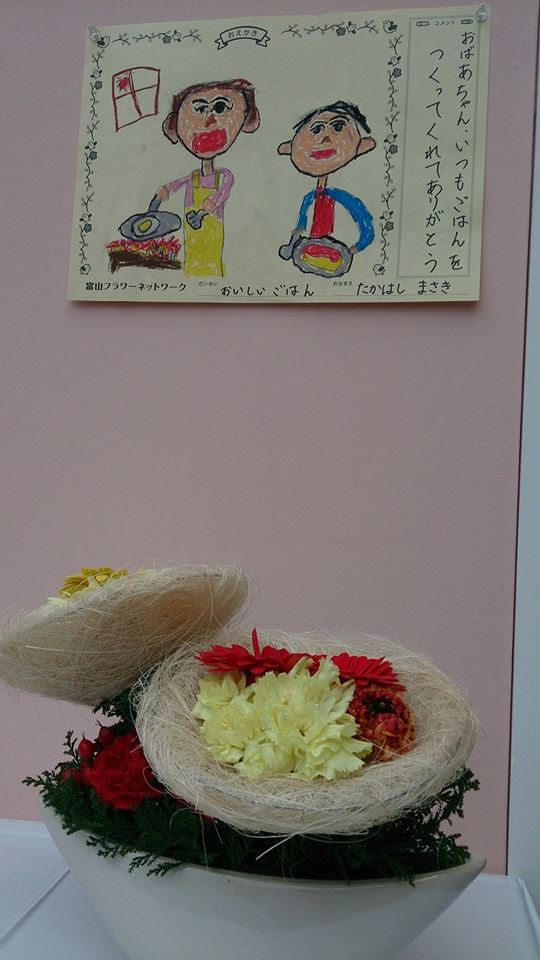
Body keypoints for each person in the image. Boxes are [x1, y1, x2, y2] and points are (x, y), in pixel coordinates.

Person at [156, 79, 260, 277]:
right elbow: (177, 184)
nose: (210, 121)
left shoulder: (225, 176)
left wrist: (204, 212)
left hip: (212, 231)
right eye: (200, 109)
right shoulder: (193, 177)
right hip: (191, 236)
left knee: (210, 264)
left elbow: (221, 195)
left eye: (220, 107)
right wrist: (163, 193)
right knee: (191, 262)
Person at [277, 101, 375, 274]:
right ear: (291, 148)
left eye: (337, 127)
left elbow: (366, 227)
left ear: (362, 146)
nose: (326, 138)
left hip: (338, 257)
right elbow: (301, 224)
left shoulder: (345, 199)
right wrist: (292, 243)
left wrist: (353, 249)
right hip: (306, 255)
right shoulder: (309, 198)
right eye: (316, 130)